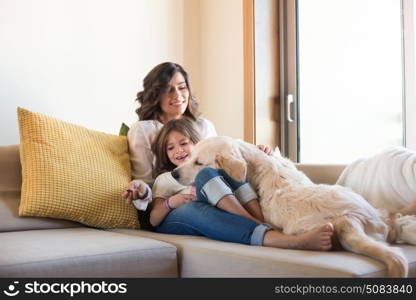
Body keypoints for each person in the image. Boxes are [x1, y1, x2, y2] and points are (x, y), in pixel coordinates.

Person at [146, 118, 334, 250]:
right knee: (196, 208)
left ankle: (259, 222)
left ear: (198, 144)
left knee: (209, 174)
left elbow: (242, 170)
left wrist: (261, 155)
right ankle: (283, 238)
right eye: (170, 148)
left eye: (184, 143)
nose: (178, 150)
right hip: (179, 217)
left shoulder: (208, 167)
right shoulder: (167, 178)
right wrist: (174, 201)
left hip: (218, 213)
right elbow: (154, 219)